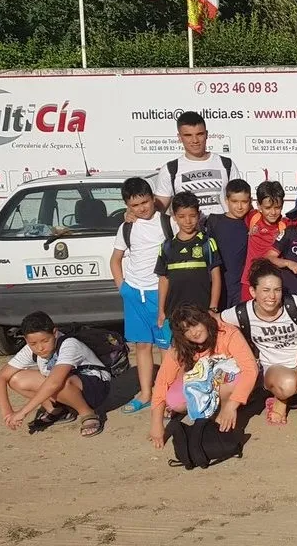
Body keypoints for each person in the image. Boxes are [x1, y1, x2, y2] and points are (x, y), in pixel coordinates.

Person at [221, 260, 297, 436]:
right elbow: (212, 321)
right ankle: (283, 397)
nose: (272, 296)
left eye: (277, 290)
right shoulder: (241, 313)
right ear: (253, 291)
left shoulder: (294, 304)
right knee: (288, 384)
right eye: (266, 290)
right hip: (275, 368)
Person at [147, 306, 258, 449]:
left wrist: (232, 404)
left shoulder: (227, 332)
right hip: (202, 380)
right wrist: (156, 423)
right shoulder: (180, 346)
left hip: (229, 380)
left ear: (205, 320)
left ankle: (225, 413)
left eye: (195, 324)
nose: (193, 333)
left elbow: (250, 369)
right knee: (175, 402)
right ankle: (211, 413)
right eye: (186, 330)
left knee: (226, 384)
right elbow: (162, 381)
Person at [0, 311, 110, 437]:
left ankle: (87, 413)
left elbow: (55, 382)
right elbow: (0, 378)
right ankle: (57, 411)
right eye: (33, 343)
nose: (40, 348)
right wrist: (7, 413)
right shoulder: (30, 349)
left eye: (45, 341)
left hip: (95, 388)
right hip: (64, 385)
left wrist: (23, 412)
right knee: (16, 380)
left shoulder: (69, 344)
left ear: (55, 333)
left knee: (61, 381)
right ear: (26, 340)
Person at [111, 177, 172, 415]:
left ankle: (165, 395)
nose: (141, 208)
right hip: (135, 294)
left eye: (145, 202)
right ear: (127, 206)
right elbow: (115, 260)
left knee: (166, 346)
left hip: (161, 294)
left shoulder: (168, 223)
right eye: (134, 205)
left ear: (153, 199)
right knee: (142, 346)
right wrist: (123, 289)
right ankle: (146, 394)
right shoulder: (126, 227)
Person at [153, 111, 242, 216]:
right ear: (179, 137)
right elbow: (157, 212)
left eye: (199, 134)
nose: (195, 140)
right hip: (189, 227)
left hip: (223, 226)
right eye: (188, 135)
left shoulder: (226, 164)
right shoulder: (170, 170)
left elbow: (241, 200)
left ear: (206, 134)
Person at [155, 191, 222, 328]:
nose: (187, 221)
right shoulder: (167, 246)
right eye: (181, 216)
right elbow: (163, 280)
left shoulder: (207, 244)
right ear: (174, 216)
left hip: (202, 313)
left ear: (199, 215)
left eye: (192, 216)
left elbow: (216, 277)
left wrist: (213, 308)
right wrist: (161, 311)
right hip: (174, 313)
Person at [205, 179, 252, 307]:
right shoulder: (214, 222)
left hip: (241, 290)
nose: (240, 206)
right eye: (234, 201)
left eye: (244, 202)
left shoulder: (252, 223)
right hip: (217, 288)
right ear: (226, 200)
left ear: (250, 201)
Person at [241, 181, 289, 303]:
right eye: (268, 208)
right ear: (258, 205)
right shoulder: (252, 217)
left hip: (273, 284)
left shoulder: (286, 225)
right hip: (249, 281)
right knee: (247, 313)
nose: (273, 212)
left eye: (277, 207)